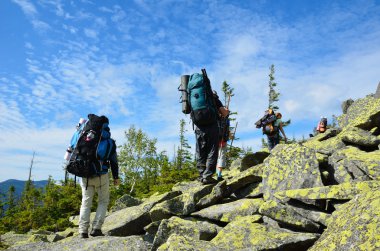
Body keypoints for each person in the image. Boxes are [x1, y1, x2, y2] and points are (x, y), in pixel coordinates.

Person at [77, 117, 120, 239]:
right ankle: (96, 228)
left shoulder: (84, 136)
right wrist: (116, 177)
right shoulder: (109, 141)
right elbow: (114, 161)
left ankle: (82, 231)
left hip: (85, 174)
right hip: (101, 175)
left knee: (86, 203)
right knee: (103, 201)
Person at [195, 91, 229, 184]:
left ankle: (201, 175)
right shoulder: (214, 99)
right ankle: (207, 176)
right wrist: (226, 111)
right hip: (212, 126)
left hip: (198, 127)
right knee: (212, 151)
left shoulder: (196, 96)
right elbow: (224, 113)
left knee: (200, 151)